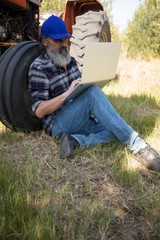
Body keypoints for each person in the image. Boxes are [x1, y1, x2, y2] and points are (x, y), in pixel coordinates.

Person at [28, 15, 160, 172]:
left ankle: (76, 141)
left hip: (79, 118)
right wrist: (67, 93)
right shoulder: (39, 68)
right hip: (58, 124)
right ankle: (138, 146)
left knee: (115, 129)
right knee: (92, 94)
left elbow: (80, 92)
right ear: (45, 41)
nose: (64, 45)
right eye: (58, 41)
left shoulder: (70, 61)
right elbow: (39, 111)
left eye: (66, 40)